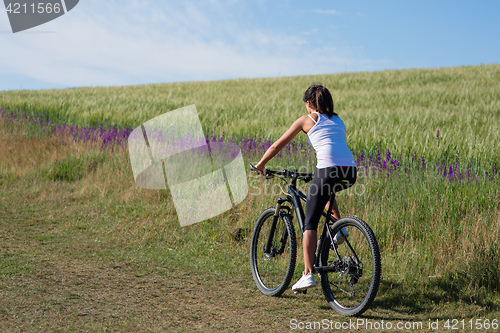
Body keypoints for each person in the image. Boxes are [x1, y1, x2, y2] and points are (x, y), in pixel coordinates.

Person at [254, 83, 357, 291]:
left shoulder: (307, 120)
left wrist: (261, 165)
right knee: (326, 192)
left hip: (327, 170)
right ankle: (339, 229)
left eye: (306, 104)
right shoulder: (338, 120)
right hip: (350, 171)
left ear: (309, 104)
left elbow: (278, 144)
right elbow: (331, 145)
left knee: (309, 223)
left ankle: (308, 274)